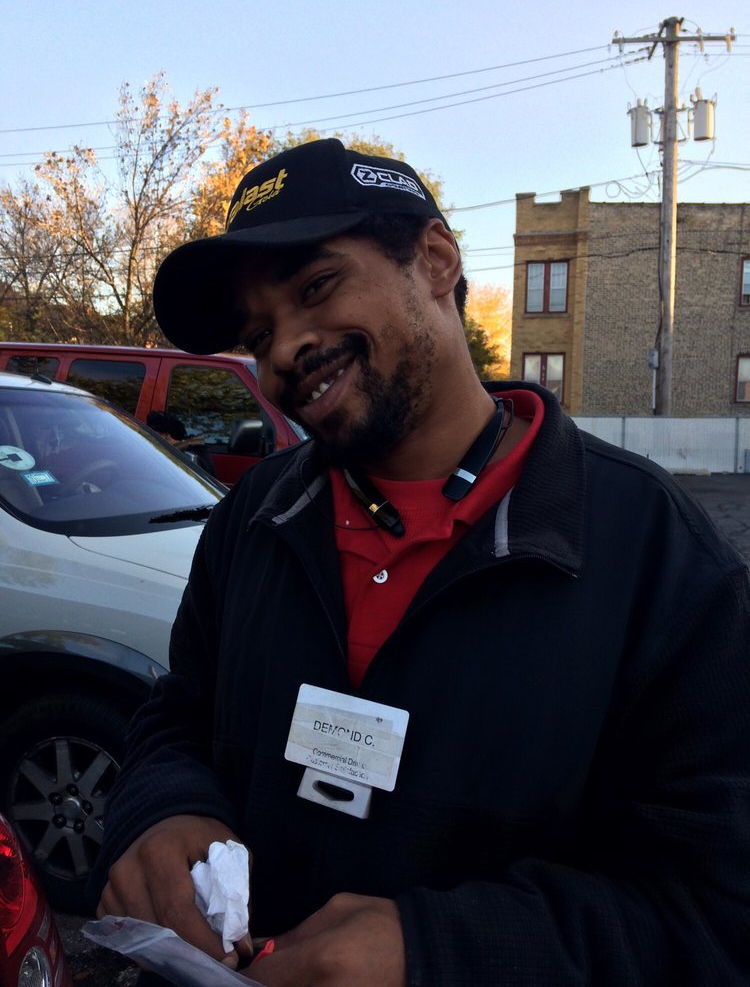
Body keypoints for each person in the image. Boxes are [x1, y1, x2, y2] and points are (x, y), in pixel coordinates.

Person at [90, 138, 750, 986]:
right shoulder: (253, 519)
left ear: (436, 260)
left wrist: (437, 954)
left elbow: (715, 908)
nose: (285, 350)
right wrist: (164, 808)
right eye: (259, 334)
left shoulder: (654, 552)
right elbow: (179, 714)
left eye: (316, 287)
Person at [146, 410, 215, 476]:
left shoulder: (186, 458)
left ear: (166, 435)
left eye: (153, 434)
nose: (150, 438)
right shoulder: (192, 450)